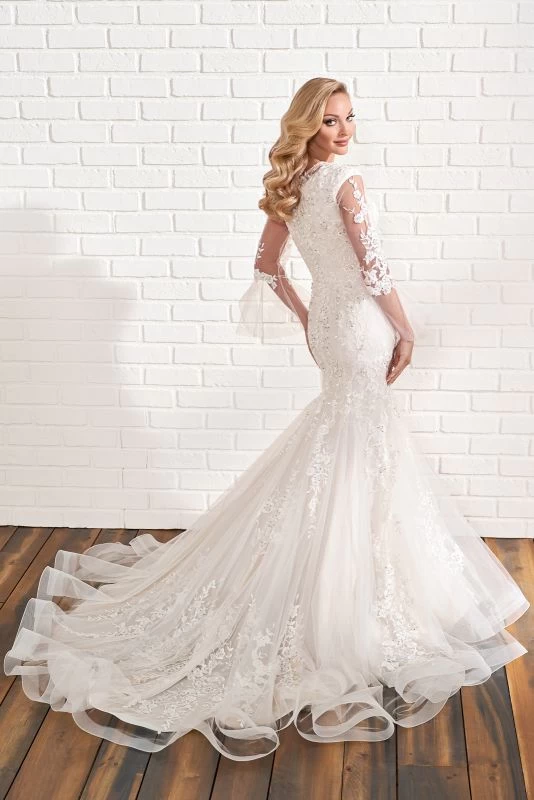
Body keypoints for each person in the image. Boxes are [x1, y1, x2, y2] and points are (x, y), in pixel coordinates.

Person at [3, 78, 529, 762]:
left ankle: (344, 573)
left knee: (347, 441)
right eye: (331, 121)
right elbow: (373, 271)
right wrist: (407, 330)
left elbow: (267, 266)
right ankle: (354, 590)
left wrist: (310, 318)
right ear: (308, 126)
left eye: (349, 118)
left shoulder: (292, 188)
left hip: (331, 330)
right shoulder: (344, 183)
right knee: (361, 442)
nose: (345, 130)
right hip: (360, 328)